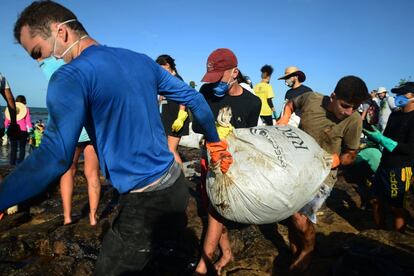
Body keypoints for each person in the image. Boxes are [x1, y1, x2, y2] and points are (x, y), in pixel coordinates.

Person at [1, 1, 232, 274]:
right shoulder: (140, 60)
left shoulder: (70, 77)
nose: (41, 62)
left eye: (38, 52)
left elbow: (55, 156)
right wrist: (215, 142)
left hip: (145, 202)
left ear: (60, 32)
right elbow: (195, 100)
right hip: (175, 187)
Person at [277, 76, 369, 272]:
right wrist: (284, 118)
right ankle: (297, 247)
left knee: (300, 216)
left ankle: (309, 250)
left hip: (324, 174)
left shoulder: (352, 120)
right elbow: (291, 103)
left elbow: (351, 153)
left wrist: (337, 160)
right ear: (333, 96)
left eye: (355, 107)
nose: (350, 112)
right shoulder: (311, 99)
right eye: (345, 106)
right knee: (291, 213)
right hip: (297, 166)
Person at [193, 48, 261, 275]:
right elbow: (196, 126)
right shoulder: (206, 92)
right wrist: (215, 132)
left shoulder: (253, 103)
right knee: (211, 208)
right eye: (211, 80)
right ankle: (227, 252)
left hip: (232, 164)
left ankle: (204, 264)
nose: (214, 85)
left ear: (235, 73)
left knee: (216, 210)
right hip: (208, 158)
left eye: (219, 79)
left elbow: (250, 138)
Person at [364, 82, 414, 232]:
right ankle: (380, 232)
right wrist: (376, 138)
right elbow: (385, 136)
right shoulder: (395, 114)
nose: (398, 97)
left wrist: (384, 141)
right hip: (384, 163)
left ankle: (397, 238)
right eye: (398, 94)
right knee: (375, 199)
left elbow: (410, 148)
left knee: (397, 206)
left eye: (403, 94)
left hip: (401, 167)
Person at [59, 128, 101, 226]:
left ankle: (67, 217)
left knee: (68, 171)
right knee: (93, 174)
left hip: (71, 132)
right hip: (91, 132)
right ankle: (93, 217)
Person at [156, 54, 190, 164]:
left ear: (167, 65)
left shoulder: (177, 80)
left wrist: (181, 116)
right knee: (167, 149)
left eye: (160, 68)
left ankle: (182, 178)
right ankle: (174, 175)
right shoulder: (166, 81)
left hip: (176, 119)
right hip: (167, 118)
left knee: (171, 149)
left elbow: (183, 98)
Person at [5, 95, 33, 165]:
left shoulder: (11, 108)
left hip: (13, 130)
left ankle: (12, 163)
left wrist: (5, 129)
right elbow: (28, 121)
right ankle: (20, 163)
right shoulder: (26, 109)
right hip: (23, 131)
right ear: (24, 101)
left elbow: (7, 121)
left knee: (13, 148)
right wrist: (30, 131)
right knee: (22, 148)